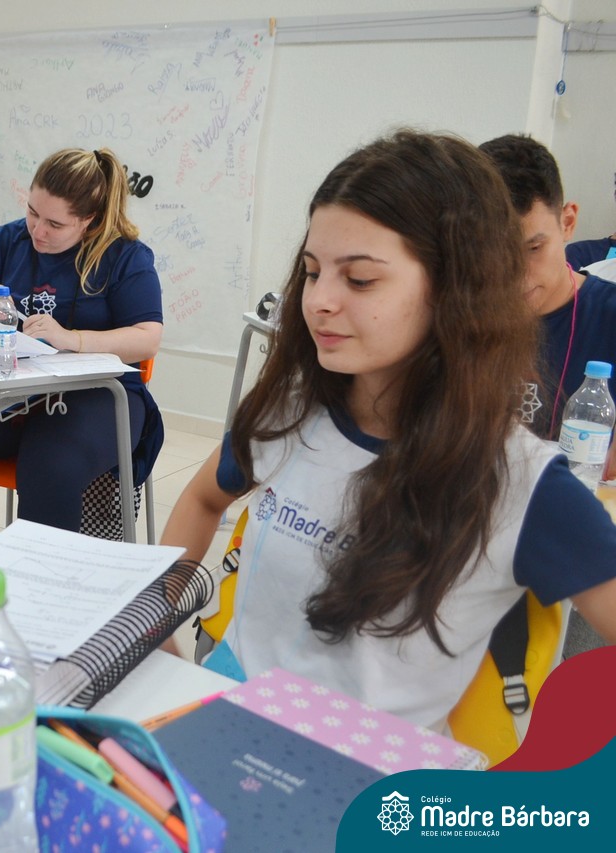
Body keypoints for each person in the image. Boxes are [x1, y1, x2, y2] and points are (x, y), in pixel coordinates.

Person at [160, 130, 616, 731]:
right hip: (220, 720)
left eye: (359, 280)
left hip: (365, 774)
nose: (318, 301)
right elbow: (202, 499)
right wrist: (158, 634)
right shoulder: (292, 410)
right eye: (312, 272)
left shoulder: (519, 483)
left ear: (454, 290)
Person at [0, 147, 163, 565]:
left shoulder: (124, 256)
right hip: (13, 391)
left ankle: (37, 591)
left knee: (49, 468)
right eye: (32, 212)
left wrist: (72, 339)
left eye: (55, 224)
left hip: (98, 396)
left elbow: (147, 338)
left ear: (89, 220)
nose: (38, 231)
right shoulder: (9, 240)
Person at [480, 134, 616, 658]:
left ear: (568, 222)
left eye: (532, 249)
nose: (514, 276)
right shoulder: (465, 322)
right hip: (476, 545)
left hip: (578, 548)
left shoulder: (608, 315)